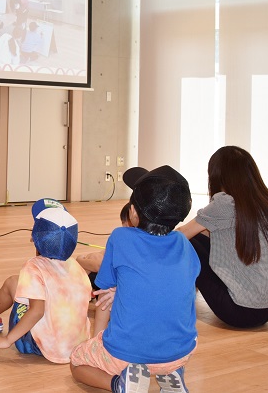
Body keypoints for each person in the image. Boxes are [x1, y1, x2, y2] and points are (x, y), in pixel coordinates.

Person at [70, 165, 200, 393]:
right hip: (181, 351)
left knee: (77, 363)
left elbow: (103, 297)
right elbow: (171, 288)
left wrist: (98, 339)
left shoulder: (120, 237)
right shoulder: (184, 245)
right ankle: (172, 376)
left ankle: (119, 384)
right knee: (169, 347)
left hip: (125, 353)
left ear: (132, 212)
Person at [176, 145, 268, 328]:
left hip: (242, 312)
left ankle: (174, 299)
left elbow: (182, 235)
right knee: (199, 239)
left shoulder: (225, 203)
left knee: (187, 243)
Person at [0, 198, 92, 364]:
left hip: (41, 346)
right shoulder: (77, 267)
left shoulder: (33, 267)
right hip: (76, 345)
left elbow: (37, 311)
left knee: (12, 283)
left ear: (34, 237)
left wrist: (8, 340)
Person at [76, 202, 132, 291]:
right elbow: (105, 254)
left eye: (128, 223)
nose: (124, 227)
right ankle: (83, 290)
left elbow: (100, 266)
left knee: (92, 264)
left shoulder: (125, 239)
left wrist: (79, 260)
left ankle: (80, 290)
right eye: (123, 223)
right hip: (116, 278)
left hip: (119, 283)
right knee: (95, 257)